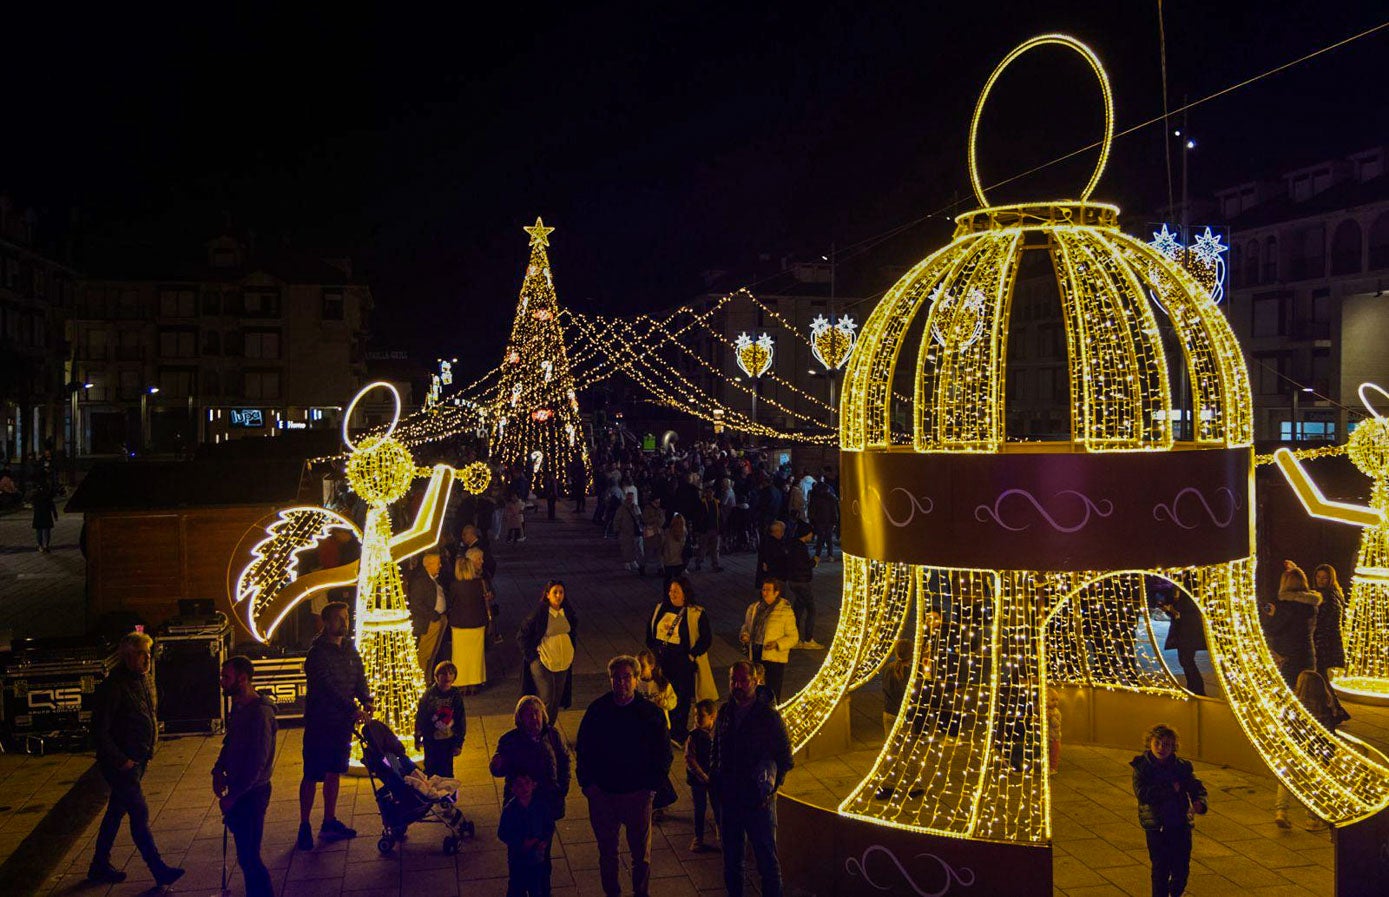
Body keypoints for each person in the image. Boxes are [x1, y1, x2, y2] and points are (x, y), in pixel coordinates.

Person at [88, 632, 184, 886]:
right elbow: (99, 730)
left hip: (138, 759)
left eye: (147, 653)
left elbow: (148, 710)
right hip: (123, 764)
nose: (147, 658)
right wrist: (121, 760)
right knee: (138, 814)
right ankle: (158, 868)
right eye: (141, 653)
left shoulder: (144, 679)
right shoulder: (114, 687)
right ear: (129, 657)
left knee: (116, 811)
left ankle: (99, 865)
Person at [575, 655, 673, 897]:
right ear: (610, 680)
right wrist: (588, 787)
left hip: (637, 795)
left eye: (627, 677)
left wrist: (651, 788)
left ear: (636, 679)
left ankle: (641, 893)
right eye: (616, 678)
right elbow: (584, 750)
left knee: (641, 854)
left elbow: (663, 754)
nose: (621, 683)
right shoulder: (598, 710)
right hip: (603, 795)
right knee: (607, 852)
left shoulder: (650, 714)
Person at [711, 660, 794, 897]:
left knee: (766, 861)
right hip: (730, 798)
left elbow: (785, 758)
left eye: (743, 680)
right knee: (732, 861)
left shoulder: (768, 717)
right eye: (733, 680)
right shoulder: (726, 712)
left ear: (756, 682)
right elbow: (716, 747)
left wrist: (770, 790)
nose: (737, 685)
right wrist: (716, 780)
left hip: (758, 802)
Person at [298, 602, 373, 851]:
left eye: (346, 618)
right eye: (338, 619)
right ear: (326, 622)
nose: (344, 623)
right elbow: (326, 687)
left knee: (334, 771)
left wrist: (367, 698)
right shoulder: (317, 654)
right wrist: (353, 708)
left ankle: (329, 820)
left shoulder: (349, 648)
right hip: (321, 722)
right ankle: (304, 825)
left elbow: (359, 675)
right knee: (312, 773)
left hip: (342, 723)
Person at [212, 655, 277, 897]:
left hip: (253, 793)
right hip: (241, 789)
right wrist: (218, 770)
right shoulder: (239, 706)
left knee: (249, 857)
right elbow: (230, 742)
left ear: (243, 679)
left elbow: (257, 763)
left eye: (226, 677)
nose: (222, 682)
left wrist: (235, 795)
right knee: (245, 855)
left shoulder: (260, 714)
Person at [1131, 724, 1207, 897]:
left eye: (1166, 744)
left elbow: (1195, 786)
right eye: (1157, 743)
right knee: (1160, 869)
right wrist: (1170, 789)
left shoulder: (1181, 767)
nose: (1161, 748)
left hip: (1180, 824)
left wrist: (1199, 802)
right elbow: (1143, 794)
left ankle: (1175, 892)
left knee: (1181, 868)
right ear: (1149, 743)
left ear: (1173, 747)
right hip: (1156, 826)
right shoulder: (1142, 767)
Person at [1274, 670, 1349, 831]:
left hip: (1293, 750)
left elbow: (1284, 727)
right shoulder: (1324, 708)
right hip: (1315, 752)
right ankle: (1312, 819)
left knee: (1286, 780)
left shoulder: (1291, 706)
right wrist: (1328, 755)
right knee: (1313, 785)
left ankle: (1281, 811)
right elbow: (1329, 734)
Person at [646, 575, 713, 743]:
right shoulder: (660, 608)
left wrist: (691, 655)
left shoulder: (695, 613)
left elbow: (706, 638)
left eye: (676, 591)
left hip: (682, 664)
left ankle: (678, 731)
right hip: (662, 662)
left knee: (681, 698)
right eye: (670, 591)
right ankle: (662, 730)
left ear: (685, 592)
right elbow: (650, 631)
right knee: (661, 696)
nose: (672, 594)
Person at [491, 694, 571, 819]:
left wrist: (561, 789)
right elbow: (500, 769)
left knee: (545, 835)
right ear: (521, 718)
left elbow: (564, 762)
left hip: (548, 799)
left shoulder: (552, 735)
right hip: (522, 802)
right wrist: (496, 765)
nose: (534, 718)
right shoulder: (510, 740)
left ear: (542, 715)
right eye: (528, 714)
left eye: (536, 713)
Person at [519, 580, 578, 725]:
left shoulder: (567, 612)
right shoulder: (540, 613)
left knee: (556, 698)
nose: (558, 596)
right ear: (547, 595)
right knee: (547, 697)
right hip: (543, 661)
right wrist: (532, 657)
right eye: (555, 592)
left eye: (561, 592)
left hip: (562, 662)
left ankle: (549, 728)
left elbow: (572, 631)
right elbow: (522, 635)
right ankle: (539, 727)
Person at [1263, 560, 1322, 689]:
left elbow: (1272, 629)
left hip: (1288, 658)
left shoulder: (1287, 608)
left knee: (1288, 693)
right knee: (1305, 692)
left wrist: (1273, 615)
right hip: (1307, 655)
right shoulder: (1311, 604)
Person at [740, 579, 799, 703]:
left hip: (773, 658)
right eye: (763, 589)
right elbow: (746, 626)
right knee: (754, 689)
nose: (764, 592)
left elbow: (793, 637)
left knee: (772, 691)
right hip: (756, 653)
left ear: (776, 592)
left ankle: (772, 715)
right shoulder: (754, 608)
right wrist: (744, 634)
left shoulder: (785, 611)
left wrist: (777, 644)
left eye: (768, 590)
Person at [498, 773, 554, 897]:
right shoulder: (510, 810)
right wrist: (520, 843)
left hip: (537, 857)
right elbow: (503, 833)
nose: (524, 788)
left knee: (537, 886)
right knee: (517, 887)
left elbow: (549, 825)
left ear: (534, 785)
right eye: (519, 785)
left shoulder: (541, 806)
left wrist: (545, 840)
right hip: (518, 858)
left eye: (527, 783)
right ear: (513, 789)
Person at [448, 548, 491, 695]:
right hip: (477, 622)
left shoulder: (454, 586)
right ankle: (475, 681)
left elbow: (451, 603)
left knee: (460, 655)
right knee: (476, 655)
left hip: (459, 624)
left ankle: (461, 682)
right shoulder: (479, 584)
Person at [415, 660, 467, 778]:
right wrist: (418, 736)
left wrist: (459, 743)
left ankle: (447, 794)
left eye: (450, 673)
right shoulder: (429, 694)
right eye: (443, 674)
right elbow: (421, 716)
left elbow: (460, 718)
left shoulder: (455, 695)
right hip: (431, 739)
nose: (447, 676)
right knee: (431, 768)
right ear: (437, 677)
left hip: (448, 739)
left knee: (446, 769)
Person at [684, 699, 720, 853]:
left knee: (718, 805)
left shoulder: (716, 734)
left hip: (714, 777)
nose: (697, 719)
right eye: (696, 716)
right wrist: (703, 775)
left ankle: (722, 832)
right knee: (700, 808)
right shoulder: (694, 736)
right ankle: (698, 838)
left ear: (713, 716)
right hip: (699, 779)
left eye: (701, 716)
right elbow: (689, 759)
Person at [1157, 589, 1206, 696]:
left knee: (1187, 660)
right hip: (1181, 630)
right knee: (1185, 661)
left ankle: (1197, 689)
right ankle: (1194, 688)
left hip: (1189, 630)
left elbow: (1189, 610)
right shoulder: (1176, 591)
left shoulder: (1189, 590)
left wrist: (1175, 610)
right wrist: (1169, 610)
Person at [785, 524, 822, 649]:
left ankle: (794, 639)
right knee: (811, 610)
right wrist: (814, 561)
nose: (812, 536)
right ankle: (808, 639)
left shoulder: (792, 545)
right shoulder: (800, 548)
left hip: (793, 581)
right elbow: (803, 565)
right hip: (801, 582)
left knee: (798, 608)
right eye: (811, 534)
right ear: (807, 534)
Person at [1312, 563, 1346, 677]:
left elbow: (1323, 622)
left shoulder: (1327, 597)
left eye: (1324, 578)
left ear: (1330, 579)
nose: (1320, 580)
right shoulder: (1334, 594)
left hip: (1326, 646)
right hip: (1331, 645)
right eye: (1318, 577)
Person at [406, 549, 447, 641]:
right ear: (429, 564)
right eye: (438, 563)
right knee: (424, 652)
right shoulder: (420, 580)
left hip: (435, 621)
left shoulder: (433, 578)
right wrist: (433, 615)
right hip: (426, 624)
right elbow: (416, 604)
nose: (440, 566)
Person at [636, 650, 678, 728]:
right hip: (642, 726)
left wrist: (664, 703)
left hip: (660, 726)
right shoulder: (635, 683)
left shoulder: (662, 684)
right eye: (637, 666)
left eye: (642, 666)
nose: (639, 669)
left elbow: (673, 703)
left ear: (651, 666)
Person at [881, 639, 911, 737]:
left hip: (889, 712)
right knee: (906, 749)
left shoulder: (888, 669)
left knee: (891, 748)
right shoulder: (911, 673)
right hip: (905, 714)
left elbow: (885, 689)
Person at [693, 485, 723, 572]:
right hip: (705, 530)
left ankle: (715, 565)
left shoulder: (717, 502)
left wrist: (721, 527)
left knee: (715, 549)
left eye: (711, 492)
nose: (710, 494)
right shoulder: (701, 503)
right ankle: (698, 563)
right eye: (708, 492)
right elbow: (698, 517)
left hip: (715, 528)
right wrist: (698, 529)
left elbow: (720, 516)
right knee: (702, 548)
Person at [808, 479, 839, 560]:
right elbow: (834, 511)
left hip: (819, 521)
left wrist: (812, 520)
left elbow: (812, 510)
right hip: (829, 521)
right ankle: (830, 555)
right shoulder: (831, 498)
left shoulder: (816, 498)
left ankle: (817, 555)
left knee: (820, 538)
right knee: (829, 538)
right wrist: (835, 521)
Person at [755, 520, 789, 588]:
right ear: (776, 532)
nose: (783, 534)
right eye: (782, 531)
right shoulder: (771, 543)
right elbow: (775, 558)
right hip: (774, 575)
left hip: (773, 574)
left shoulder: (772, 541)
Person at [661, 513, 690, 591]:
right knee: (678, 580)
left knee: (667, 580)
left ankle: (667, 597)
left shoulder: (667, 532)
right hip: (680, 561)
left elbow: (662, 544)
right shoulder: (684, 533)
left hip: (668, 560)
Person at [616, 490, 643, 573]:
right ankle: (627, 561)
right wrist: (617, 529)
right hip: (625, 530)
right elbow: (617, 520)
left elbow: (640, 517)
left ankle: (633, 560)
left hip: (635, 530)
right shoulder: (622, 509)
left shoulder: (636, 507)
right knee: (627, 547)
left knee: (635, 546)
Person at [640, 496, 665, 576]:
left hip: (659, 534)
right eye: (656, 502)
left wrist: (659, 520)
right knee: (648, 552)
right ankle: (643, 567)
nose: (658, 504)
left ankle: (660, 568)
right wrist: (655, 519)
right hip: (650, 534)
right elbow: (645, 520)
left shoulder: (660, 510)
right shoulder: (647, 509)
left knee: (659, 553)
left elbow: (662, 520)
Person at [31, 483, 58, 552]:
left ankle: (40, 545)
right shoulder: (48, 496)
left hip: (38, 515)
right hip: (46, 514)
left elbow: (33, 505)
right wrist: (55, 515)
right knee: (46, 530)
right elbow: (52, 506)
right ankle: (46, 545)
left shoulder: (35, 496)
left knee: (39, 531)